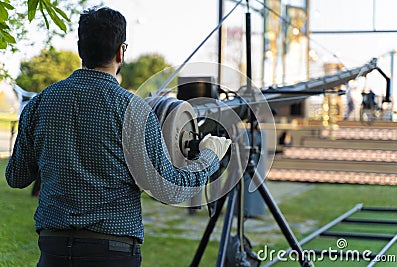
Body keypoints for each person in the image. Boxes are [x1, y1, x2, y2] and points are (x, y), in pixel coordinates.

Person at [5, 7, 231, 267]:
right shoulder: (134, 110)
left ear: (80, 49)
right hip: (113, 251)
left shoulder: (39, 103)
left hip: (53, 249)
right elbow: (171, 189)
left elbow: (16, 177)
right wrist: (210, 156)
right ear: (121, 51)